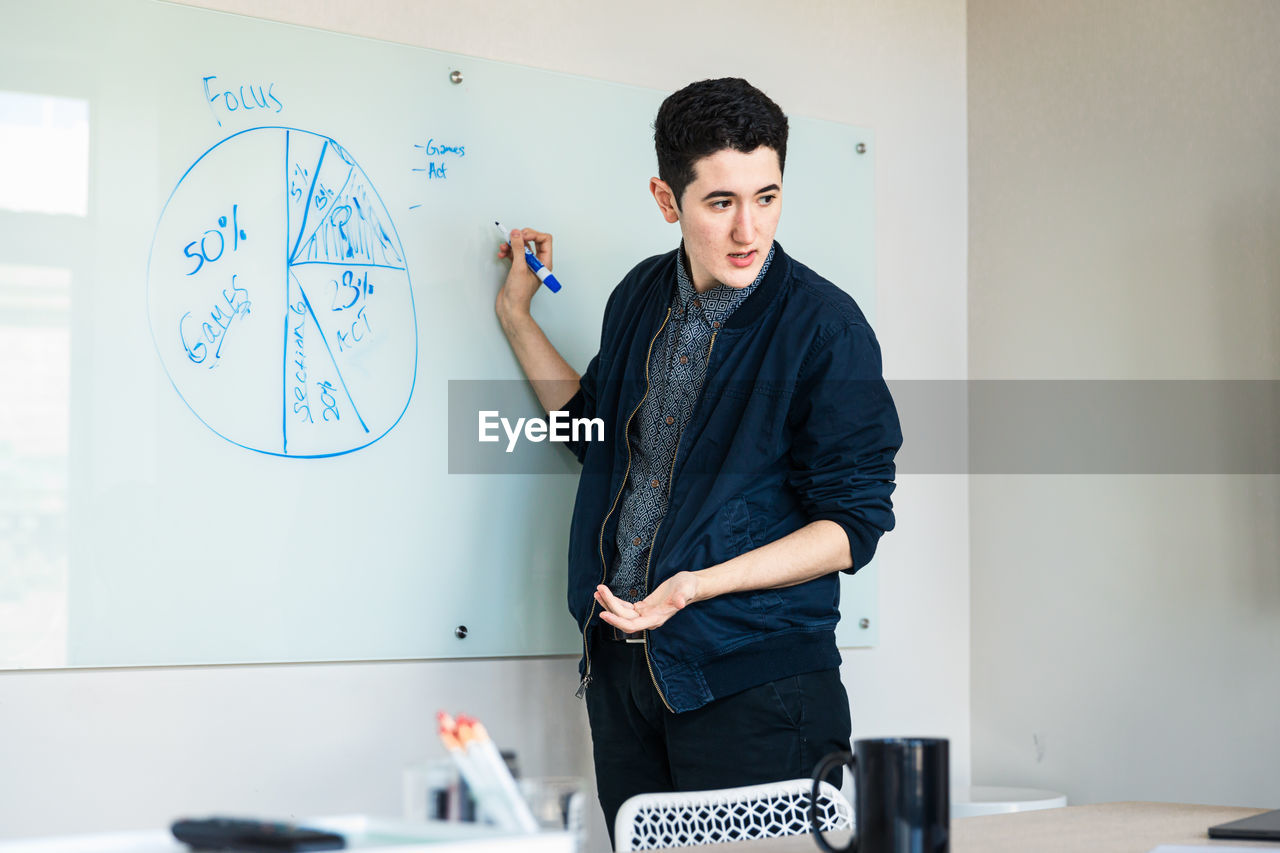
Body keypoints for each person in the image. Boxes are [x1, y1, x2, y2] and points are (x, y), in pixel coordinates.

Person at [493, 77, 901, 842]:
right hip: (625, 680)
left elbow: (853, 526)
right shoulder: (638, 297)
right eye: (721, 203)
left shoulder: (827, 328)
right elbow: (595, 436)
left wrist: (696, 586)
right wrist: (515, 316)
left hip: (758, 682)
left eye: (768, 196)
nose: (750, 229)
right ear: (665, 197)